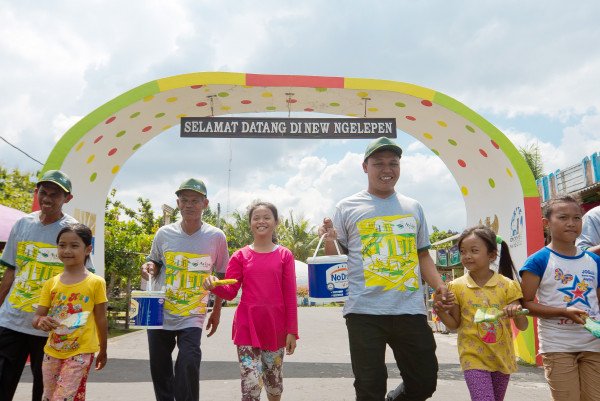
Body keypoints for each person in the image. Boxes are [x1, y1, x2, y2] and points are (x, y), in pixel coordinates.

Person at [318, 136, 452, 401]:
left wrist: (440, 286)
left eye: (393, 163)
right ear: (365, 167)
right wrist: (330, 239)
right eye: (378, 163)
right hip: (363, 312)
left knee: (424, 381)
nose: (387, 169)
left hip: (409, 309)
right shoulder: (347, 207)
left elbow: (422, 254)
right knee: (369, 387)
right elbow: (335, 259)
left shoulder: (413, 207)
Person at [0, 169, 92, 401]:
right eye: (44, 193)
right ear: (37, 192)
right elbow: (11, 269)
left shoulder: (74, 231)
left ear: (67, 199)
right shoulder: (22, 224)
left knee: (45, 390)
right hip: (12, 320)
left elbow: (84, 281)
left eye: (55, 195)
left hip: (51, 326)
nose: (48, 199)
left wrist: (76, 326)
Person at [140, 178, 229, 401]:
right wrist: (149, 267)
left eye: (195, 201)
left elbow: (221, 275)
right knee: (159, 368)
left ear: (205, 204)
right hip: (160, 311)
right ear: (178, 203)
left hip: (193, 313)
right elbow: (155, 262)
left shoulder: (216, 237)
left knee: (188, 362)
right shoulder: (164, 233)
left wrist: (216, 311)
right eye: (184, 200)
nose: (189, 205)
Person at [203, 201, 298, 401]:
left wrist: (292, 331)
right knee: (251, 385)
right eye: (256, 218)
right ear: (250, 223)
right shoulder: (240, 256)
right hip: (247, 326)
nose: (261, 221)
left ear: (276, 222)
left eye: (266, 217)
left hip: (275, 328)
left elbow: (290, 296)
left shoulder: (284, 255)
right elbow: (229, 292)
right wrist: (214, 284)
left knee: (274, 384)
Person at [434, 225, 528, 401]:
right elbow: (454, 324)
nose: (467, 256)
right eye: (463, 251)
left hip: (502, 357)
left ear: (492, 255)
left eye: (474, 251)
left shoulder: (508, 285)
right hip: (473, 358)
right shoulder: (456, 286)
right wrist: (441, 312)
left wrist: (517, 312)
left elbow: (523, 326)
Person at [520, 195, 600, 400]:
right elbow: (525, 304)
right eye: (563, 217)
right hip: (557, 346)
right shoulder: (538, 260)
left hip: (593, 345)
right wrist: (563, 312)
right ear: (546, 223)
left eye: (577, 218)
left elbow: (597, 302)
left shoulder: (594, 261)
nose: (571, 223)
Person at [33, 224, 108, 400]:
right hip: (52, 351)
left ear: (88, 249)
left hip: (80, 352)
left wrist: (103, 350)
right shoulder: (51, 283)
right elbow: (37, 317)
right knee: (49, 396)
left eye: (74, 246)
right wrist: (40, 321)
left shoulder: (96, 282)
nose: (67, 250)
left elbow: (101, 319)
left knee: (63, 397)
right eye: (62, 245)